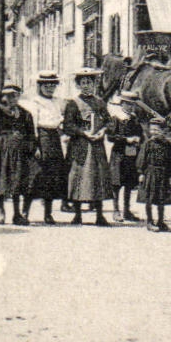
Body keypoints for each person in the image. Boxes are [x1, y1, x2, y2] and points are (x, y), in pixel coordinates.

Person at [63, 68, 114, 226]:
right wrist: (83, 133)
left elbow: (109, 122)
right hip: (80, 146)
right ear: (78, 85)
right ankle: (77, 214)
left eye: (89, 82)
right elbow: (68, 126)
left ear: (94, 84)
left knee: (97, 178)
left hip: (97, 146)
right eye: (83, 83)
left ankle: (99, 214)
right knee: (78, 177)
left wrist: (103, 131)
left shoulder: (99, 102)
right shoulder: (73, 103)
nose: (86, 86)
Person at [0, 84, 35, 225]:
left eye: (15, 95)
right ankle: (1, 211)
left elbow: (31, 135)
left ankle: (17, 214)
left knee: (17, 182)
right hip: (2, 153)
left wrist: (26, 145)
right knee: (1, 181)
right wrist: (0, 142)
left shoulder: (25, 115)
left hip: (19, 153)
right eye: (9, 95)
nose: (12, 99)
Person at [24, 72, 70, 225]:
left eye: (53, 85)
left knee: (52, 177)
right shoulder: (35, 102)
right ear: (40, 86)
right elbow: (33, 125)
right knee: (36, 176)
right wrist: (36, 146)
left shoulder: (58, 102)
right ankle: (25, 212)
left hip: (54, 139)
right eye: (46, 85)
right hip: (41, 138)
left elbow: (61, 120)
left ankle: (48, 213)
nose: (50, 88)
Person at [106, 94, 144, 222]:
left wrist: (139, 139)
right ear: (122, 104)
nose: (130, 106)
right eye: (127, 103)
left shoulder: (134, 119)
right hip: (119, 154)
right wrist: (126, 139)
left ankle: (127, 210)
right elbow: (110, 136)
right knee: (117, 184)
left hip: (131, 155)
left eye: (132, 104)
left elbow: (141, 134)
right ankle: (116, 210)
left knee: (129, 183)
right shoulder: (116, 118)